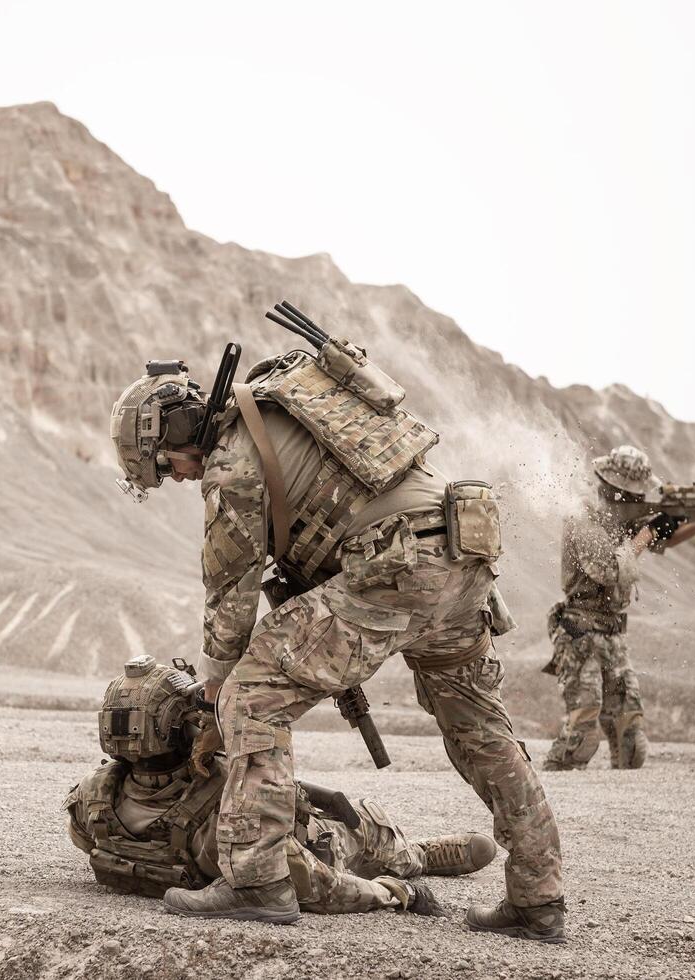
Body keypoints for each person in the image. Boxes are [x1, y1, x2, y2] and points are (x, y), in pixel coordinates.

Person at [108, 326, 567, 942]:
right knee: (480, 729)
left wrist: (216, 699)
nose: (180, 477)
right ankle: (538, 898)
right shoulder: (294, 400)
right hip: (464, 556)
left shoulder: (234, 464)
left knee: (253, 694)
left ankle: (257, 881)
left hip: (395, 565)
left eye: (167, 465)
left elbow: (230, 607)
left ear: (178, 431)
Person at [65, 655, 497, 919]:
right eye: (195, 716)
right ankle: (415, 857)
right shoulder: (228, 812)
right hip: (321, 850)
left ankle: (415, 852)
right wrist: (391, 893)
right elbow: (318, 885)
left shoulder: (91, 801)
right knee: (360, 829)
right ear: (179, 728)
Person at [542, 446, 695, 771]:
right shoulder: (584, 517)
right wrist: (648, 532)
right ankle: (550, 792)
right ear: (616, 490)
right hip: (580, 633)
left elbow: (667, 539)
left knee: (631, 741)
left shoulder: (627, 521)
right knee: (581, 736)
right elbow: (607, 570)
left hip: (613, 635)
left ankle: (619, 811)